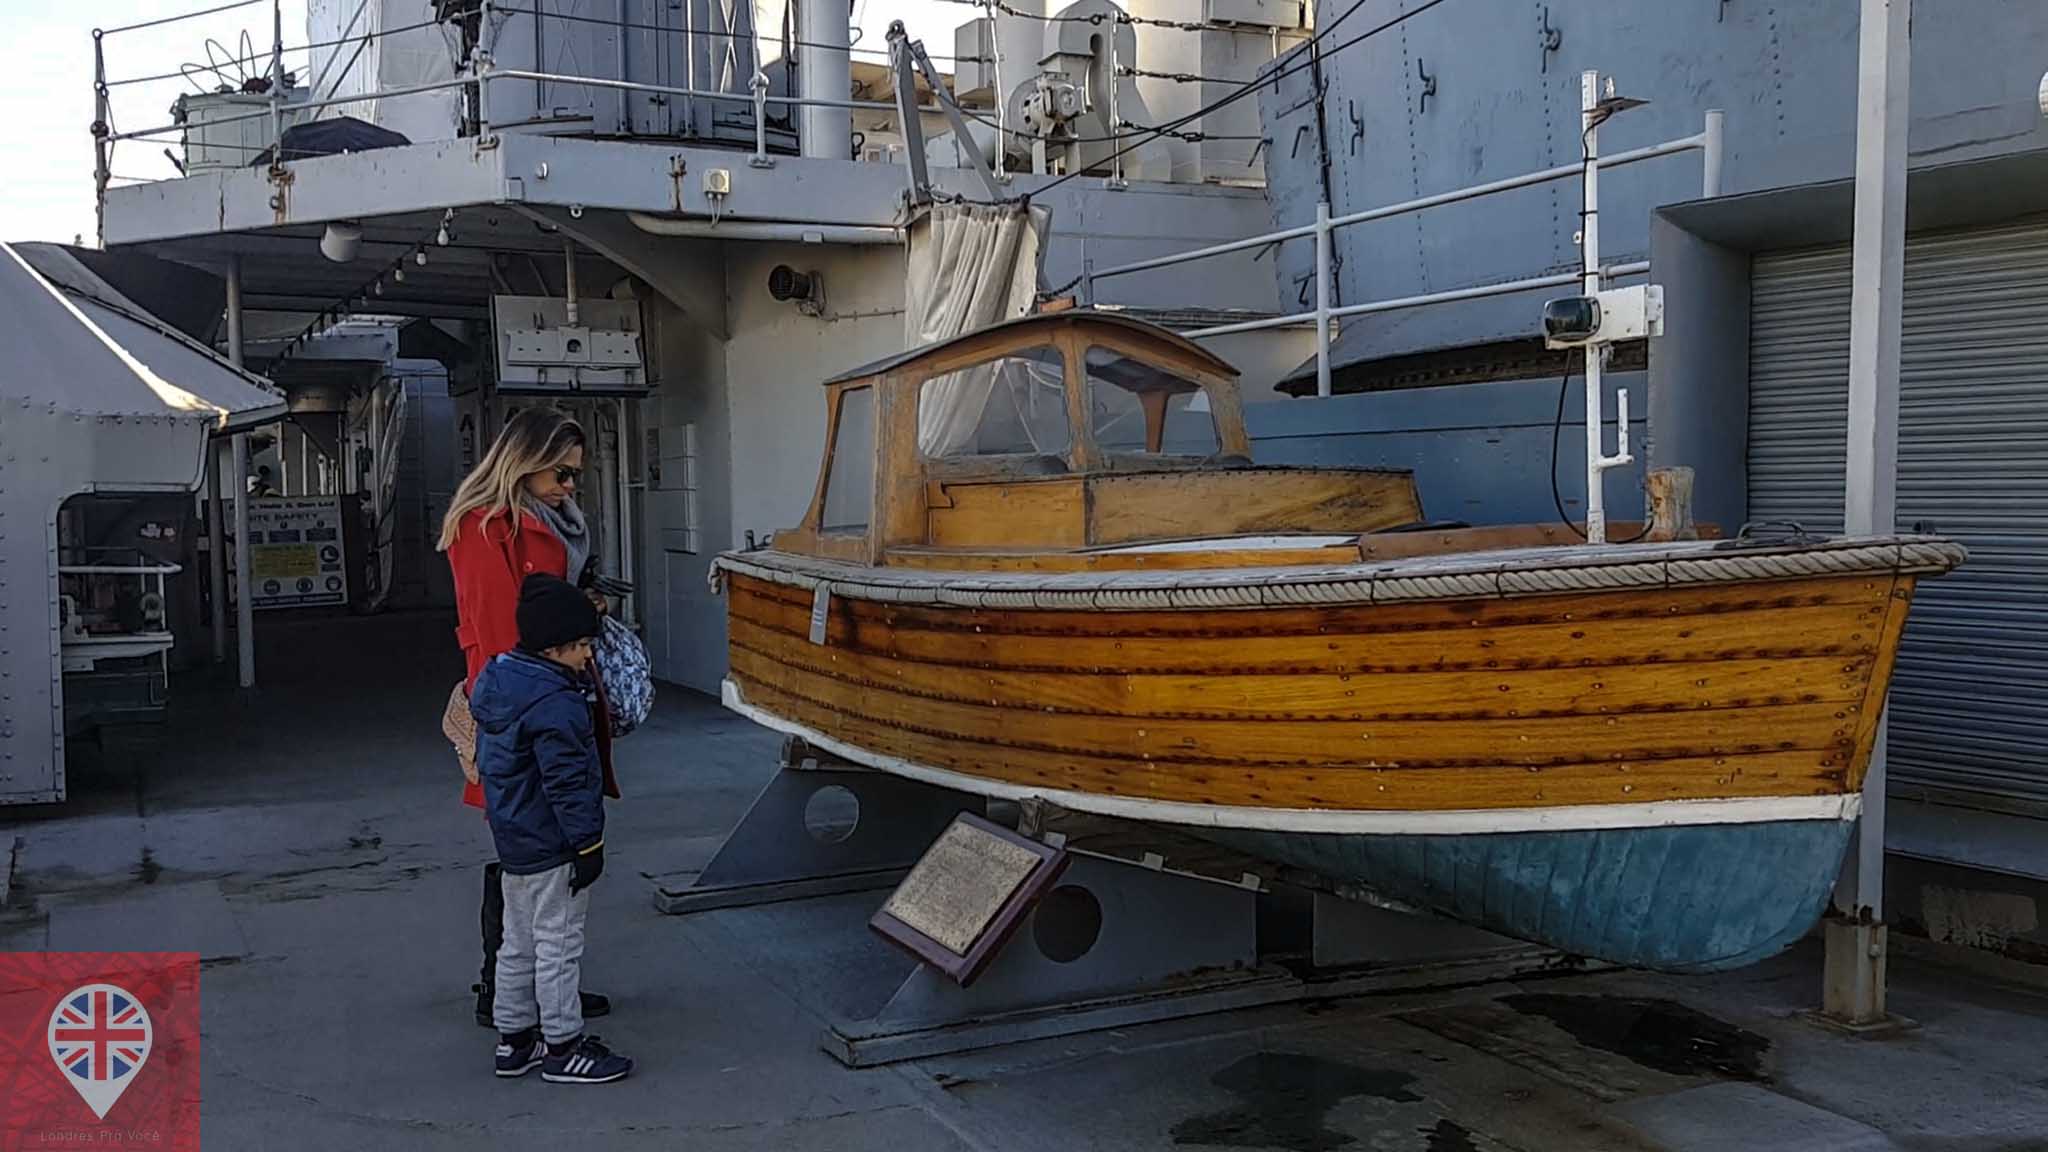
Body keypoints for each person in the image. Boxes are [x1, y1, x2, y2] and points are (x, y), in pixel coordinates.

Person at [439, 406, 616, 1029]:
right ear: (525, 461)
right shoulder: (485, 528)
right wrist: (507, 722)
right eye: (561, 474)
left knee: (549, 842)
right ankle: (508, 995)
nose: (570, 488)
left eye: (575, 478)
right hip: (520, 706)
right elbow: (492, 631)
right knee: (528, 846)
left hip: (552, 695)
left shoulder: (543, 520)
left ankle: (546, 988)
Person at [469, 574, 632, 1084]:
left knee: (515, 945)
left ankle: (514, 1040)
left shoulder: (500, 683)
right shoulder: (558, 705)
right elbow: (569, 784)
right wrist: (589, 845)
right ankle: (564, 1045)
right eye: (583, 645)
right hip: (556, 845)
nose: (589, 656)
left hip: (515, 840)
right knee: (559, 945)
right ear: (556, 646)